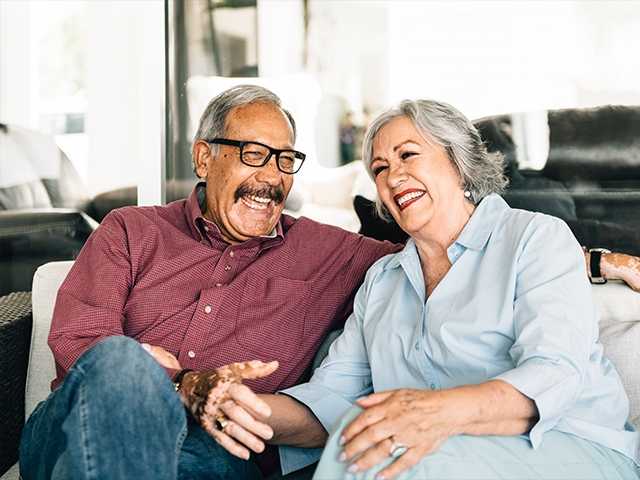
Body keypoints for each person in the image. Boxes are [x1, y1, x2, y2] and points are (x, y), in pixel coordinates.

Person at [238, 99, 640, 479]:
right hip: (436, 452)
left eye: (408, 155)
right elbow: (330, 399)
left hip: (571, 446)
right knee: (358, 440)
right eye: (379, 169)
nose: (393, 176)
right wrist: (235, 407)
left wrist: (433, 413)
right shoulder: (382, 281)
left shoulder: (534, 238)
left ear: (458, 162)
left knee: (392, 457)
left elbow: (554, 374)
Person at [18, 85, 398, 479]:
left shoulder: (330, 253)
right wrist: (180, 384)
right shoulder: (130, 230)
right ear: (204, 158)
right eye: (253, 154)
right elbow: (81, 337)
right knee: (123, 361)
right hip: (80, 421)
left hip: (210, 448)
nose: (271, 176)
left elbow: (434, 247)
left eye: (286, 160)